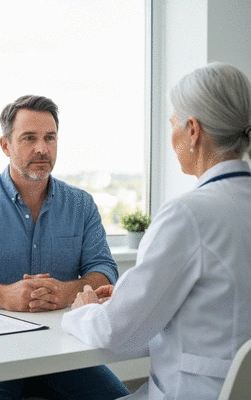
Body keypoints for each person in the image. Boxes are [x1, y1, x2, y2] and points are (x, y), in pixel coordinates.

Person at [61, 62, 251, 399]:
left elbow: (113, 333)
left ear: (193, 131)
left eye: (173, 124)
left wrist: (84, 311)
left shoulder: (189, 214)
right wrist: (133, 298)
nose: (172, 135)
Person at [0, 95, 130, 399]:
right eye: (29, 138)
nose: (42, 148)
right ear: (5, 145)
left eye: (50, 138)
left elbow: (103, 271)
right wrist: (3, 295)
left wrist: (66, 291)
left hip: (64, 353)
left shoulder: (81, 205)